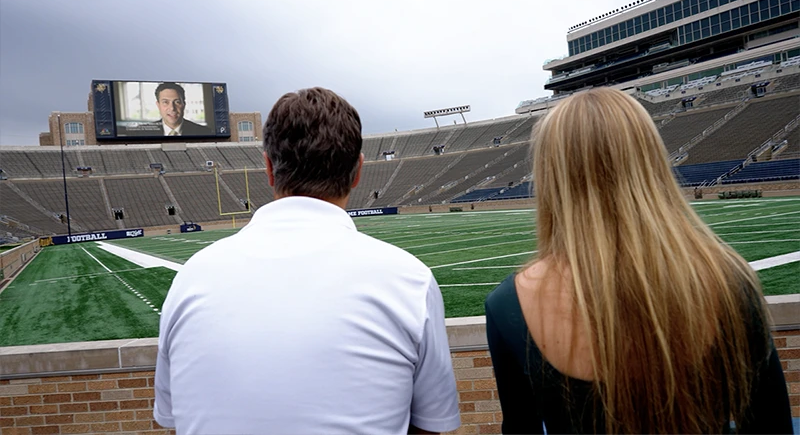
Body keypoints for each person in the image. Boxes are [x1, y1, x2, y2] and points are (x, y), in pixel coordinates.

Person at [154, 87, 460, 434]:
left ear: (268, 168)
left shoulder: (190, 279)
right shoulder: (409, 280)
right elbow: (432, 425)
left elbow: (175, 420)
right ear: (358, 171)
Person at [485, 88, 792, 434]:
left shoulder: (510, 303)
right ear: (650, 161)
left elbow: (520, 428)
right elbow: (772, 425)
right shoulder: (726, 279)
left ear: (551, 176)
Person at [134, 82, 213, 136]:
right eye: (165, 102)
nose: (172, 108)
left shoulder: (204, 132)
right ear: (158, 105)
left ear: (184, 105)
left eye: (177, 102)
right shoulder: (141, 132)